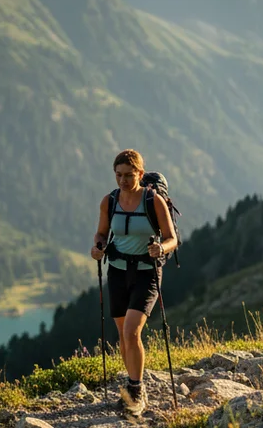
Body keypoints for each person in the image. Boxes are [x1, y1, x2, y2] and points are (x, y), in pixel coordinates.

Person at [90, 149, 178, 416]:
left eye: (129, 175)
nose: (123, 181)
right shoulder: (110, 201)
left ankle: (136, 391)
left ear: (140, 174)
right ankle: (133, 384)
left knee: (131, 332)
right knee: (123, 335)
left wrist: (160, 250)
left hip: (146, 273)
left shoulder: (153, 201)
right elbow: (102, 232)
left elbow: (172, 238)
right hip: (116, 271)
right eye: (118, 175)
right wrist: (98, 247)